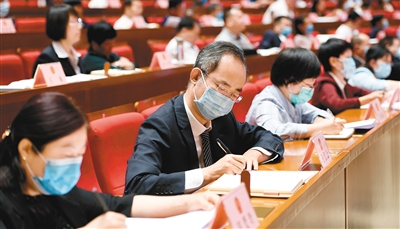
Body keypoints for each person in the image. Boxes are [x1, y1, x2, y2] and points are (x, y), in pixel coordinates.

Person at [0, 92, 220, 228]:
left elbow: (120, 204)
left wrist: (189, 202)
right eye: (67, 155)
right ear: (27, 149)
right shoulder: (6, 201)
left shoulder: (54, 189)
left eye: (79, 155)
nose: (73, 165)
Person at [124, 42, 284, 195]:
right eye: (222, 88)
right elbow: (137, 184)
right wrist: (209, 173)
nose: (227, 100)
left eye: (234, 95)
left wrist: (253, 154)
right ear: (195, 76)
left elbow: (270, 138)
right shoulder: (160, 125)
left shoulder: (222, 118)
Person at [246, 48, 345, 141]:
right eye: (308, 85)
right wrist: (318, 128)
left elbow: (318, 113)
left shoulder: (294, 98)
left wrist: (319, 121)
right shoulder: (267, 102)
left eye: (313, 85)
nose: (311, 89)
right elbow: (274, 131)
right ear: (289, 80)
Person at [311, 38, 384, 115]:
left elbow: (359, 91)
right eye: (348, 57)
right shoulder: (325, 84)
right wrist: (369, 98)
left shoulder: (342, 81)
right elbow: (337, 104)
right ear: (333, 61)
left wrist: (378, 94)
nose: (352, 61)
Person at [33, 4, 84, 77]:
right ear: (59, 25)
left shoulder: (76, 55)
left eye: (78, 21)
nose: (79, 26)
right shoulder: (47, 59)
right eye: (73, 21)